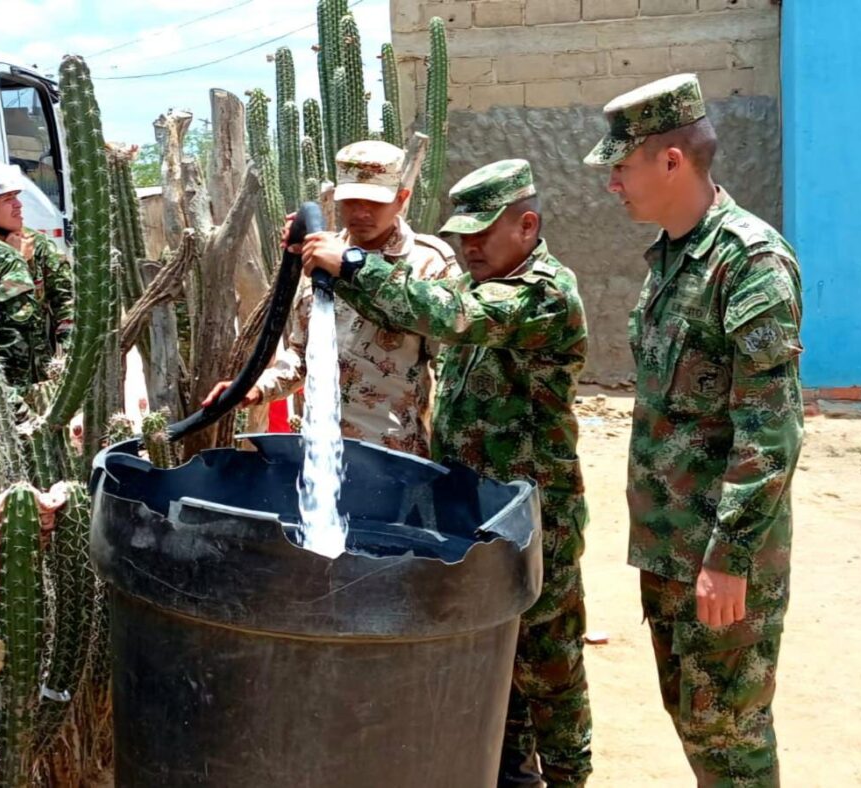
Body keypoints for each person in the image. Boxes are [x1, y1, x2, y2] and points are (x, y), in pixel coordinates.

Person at [301, 159, 593, 787]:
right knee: (495, 651)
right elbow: (408, 311)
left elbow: (444, 314)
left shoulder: (541, 293)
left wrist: (349, 263)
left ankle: (568, 777)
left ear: (528, 225)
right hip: (472, 503)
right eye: (463, 235)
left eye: (484, 234)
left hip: (534, 511)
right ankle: (511, 774)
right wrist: (326, 259)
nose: (469, 247)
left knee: (550, 663)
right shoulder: (480, 285)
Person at [585, 73, 803, 785]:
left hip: (718, 556)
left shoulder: (748, 262)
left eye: (621, 166)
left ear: (670, 161)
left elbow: (770, 432)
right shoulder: (672, 259)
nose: (613, 184)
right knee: (695, 721)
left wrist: (728, 557)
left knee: (731, 737)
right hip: (671, 547)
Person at [202, 140, 460, 457]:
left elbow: (452, 363)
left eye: (374, 201)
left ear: (401, 199)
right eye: (351, 200)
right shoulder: (318, 257)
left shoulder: (427, 262)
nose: (361, 212)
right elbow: (301, 355)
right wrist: (254, 387)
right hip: (322, 450)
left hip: (395, 452)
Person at [0, 159, 73, 390]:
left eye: (17, 197)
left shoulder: (38, 245)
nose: (18, 205)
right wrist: (14, 260)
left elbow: (66, 303)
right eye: (8, 199)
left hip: (37, 377)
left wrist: (70, 357)